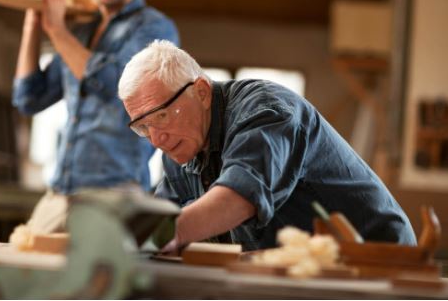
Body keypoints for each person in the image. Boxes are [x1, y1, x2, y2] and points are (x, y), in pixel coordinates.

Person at [118, 40, 416, 251]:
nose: (157, 140)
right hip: (309, 273)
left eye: (162, 115)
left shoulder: (267, 111)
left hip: (379, 261)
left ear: (202, 92)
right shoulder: (181, 148)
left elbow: (237, 199)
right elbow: (163, 214)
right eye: (143, 127)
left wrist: (154, 235)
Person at [12, 0, 179, 232]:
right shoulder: (80, 33)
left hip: (116, 193)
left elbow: (117, 84)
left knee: (97, 281)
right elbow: (28, 99)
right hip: (61, 191)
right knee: (24, 267)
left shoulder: (155, 27)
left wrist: (57, 31)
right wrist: (34, 25)